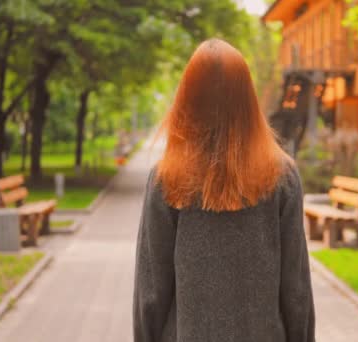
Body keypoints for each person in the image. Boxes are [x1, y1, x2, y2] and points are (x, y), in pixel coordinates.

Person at [133, 38, 315, 342]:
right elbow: (296, 289)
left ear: (187, 100)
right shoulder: (282, 176)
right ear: (247, 100)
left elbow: (150, 291)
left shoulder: (166, 179)